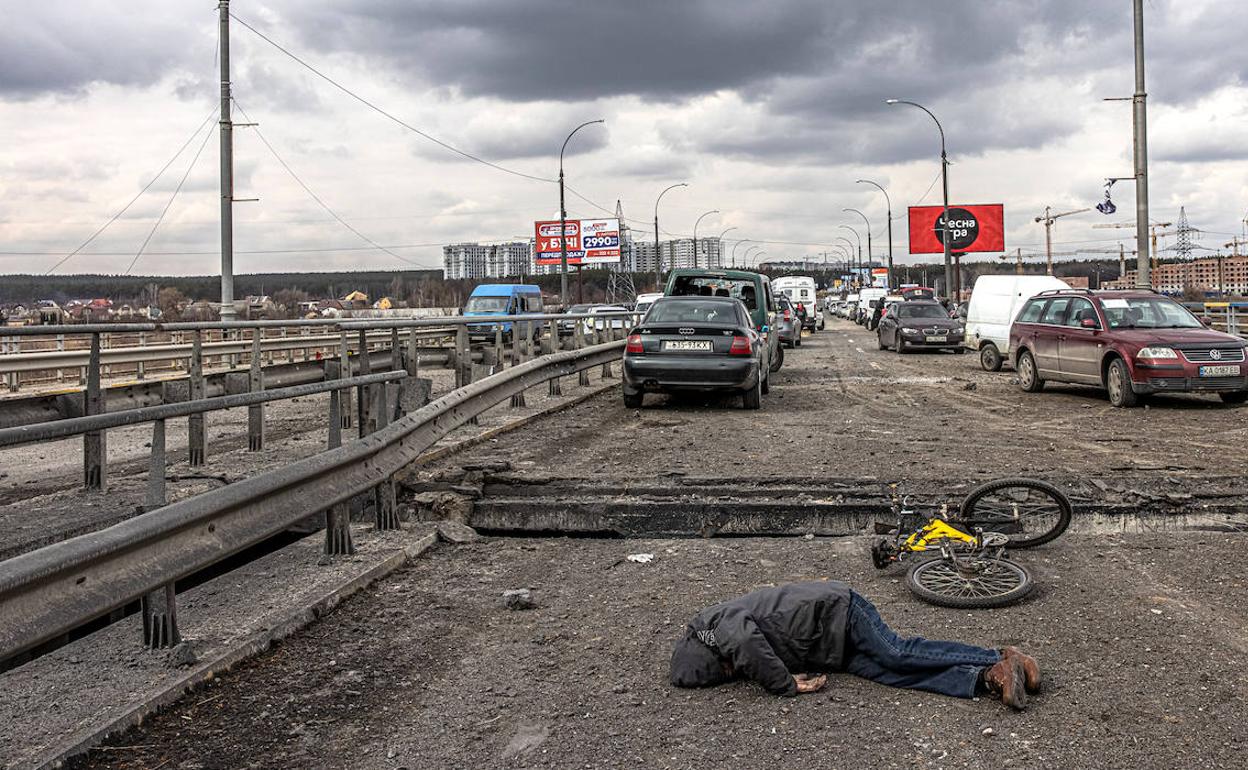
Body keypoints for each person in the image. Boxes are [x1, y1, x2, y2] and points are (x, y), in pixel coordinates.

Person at [669, 581, 1040, 710]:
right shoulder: (715, 640)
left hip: (839, 611)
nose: (732, 672)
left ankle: (1001, 655)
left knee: (897, 652)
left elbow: (748, 644)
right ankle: (989, 677)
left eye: (725, 670)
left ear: (707, 654)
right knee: (890, 674)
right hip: (833, 649)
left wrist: (784, 684)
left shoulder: (712, 626)